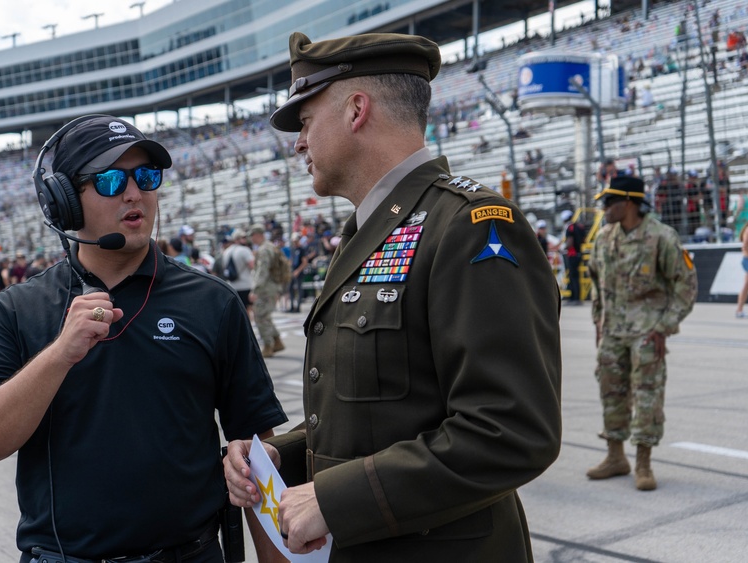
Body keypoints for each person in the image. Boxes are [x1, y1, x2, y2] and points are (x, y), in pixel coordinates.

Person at [223, 33, 561, 561]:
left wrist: (335, 501)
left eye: (306, 121)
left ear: (356, 110)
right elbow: (373, 418)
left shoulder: (468, 226)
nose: (298, 142)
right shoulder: (368, 231)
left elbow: (511, 432)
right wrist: (279, 456)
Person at [0, 114, 287, 563]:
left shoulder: (213, 302)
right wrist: (59, 355)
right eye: (111, 180)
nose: (135, 193)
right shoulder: (17, 309)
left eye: (147, 176)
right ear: (65, 202)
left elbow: (255, 456)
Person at [587, 176, 697, 491]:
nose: (604, 208)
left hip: (647, 332)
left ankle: (643, 463)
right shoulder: (604, 238)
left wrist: (664, 326)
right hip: (612, 332)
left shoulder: (661, 237)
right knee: (611, 393)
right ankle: (615, 457)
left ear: (630, 203)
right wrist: (598, 321)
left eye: (610, 202)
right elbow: (597, 282)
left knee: (647, 394)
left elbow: (686, 286)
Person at [248, 224, 284, 357]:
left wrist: (255, 290)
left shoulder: (263, 250)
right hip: (272, 287)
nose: (251, 239)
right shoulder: (271, 247)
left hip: (265, 288)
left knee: (260, 316)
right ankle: (277, 341)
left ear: (257, 235)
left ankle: (268, 346)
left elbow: (262, 271)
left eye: (252, 236)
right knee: (265, 316)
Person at [222, 227, 255, 309]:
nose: (245, 239)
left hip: (232, 286)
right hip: (245, 285)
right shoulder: (245, 250)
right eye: (243, 238)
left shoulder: (226, 251)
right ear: (237, 239)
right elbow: (252, 266)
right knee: (248, 310)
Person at [563, 209, 588, 304]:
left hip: (572, 254)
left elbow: (570, 241)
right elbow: (584, 240)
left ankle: (575, 298)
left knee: (573, 277)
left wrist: (563, 248)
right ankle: (575, 297)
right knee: (576, 277)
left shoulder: (570, 228)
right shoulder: (580, 227)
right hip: (579, 254)